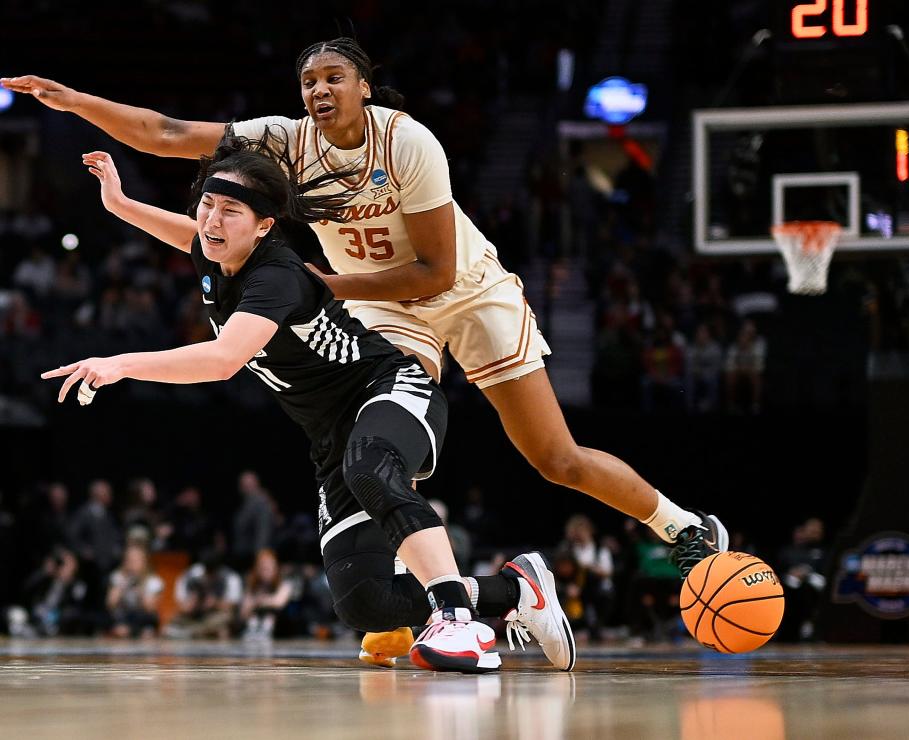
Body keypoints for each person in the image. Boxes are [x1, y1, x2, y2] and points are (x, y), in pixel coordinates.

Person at [3, 41, 726, 578]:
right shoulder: (284, 142)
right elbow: (163, 134)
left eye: (333, 77)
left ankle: (684, 525)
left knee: (554, 459)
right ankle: (423, 595)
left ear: (364, 87)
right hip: (386, 310)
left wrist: (318, 284)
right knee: (378, 445)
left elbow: (433, 268)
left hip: (465, 292)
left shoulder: (406, 140)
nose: (319, 88)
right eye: (308, 80)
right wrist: (76, 103)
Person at [40, 139, 573, 672]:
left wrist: (119, 364)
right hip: (332, 436)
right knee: (364, 601)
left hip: (390, 392)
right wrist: (120, 204)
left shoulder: (276, 276)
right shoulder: (215, 249)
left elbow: (225, 359)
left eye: (230, 211)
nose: (212, 221)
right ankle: (515, 589)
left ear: (265, 226)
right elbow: (188, 236)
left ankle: (457, 621)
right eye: (207, 204)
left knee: (370, 465)